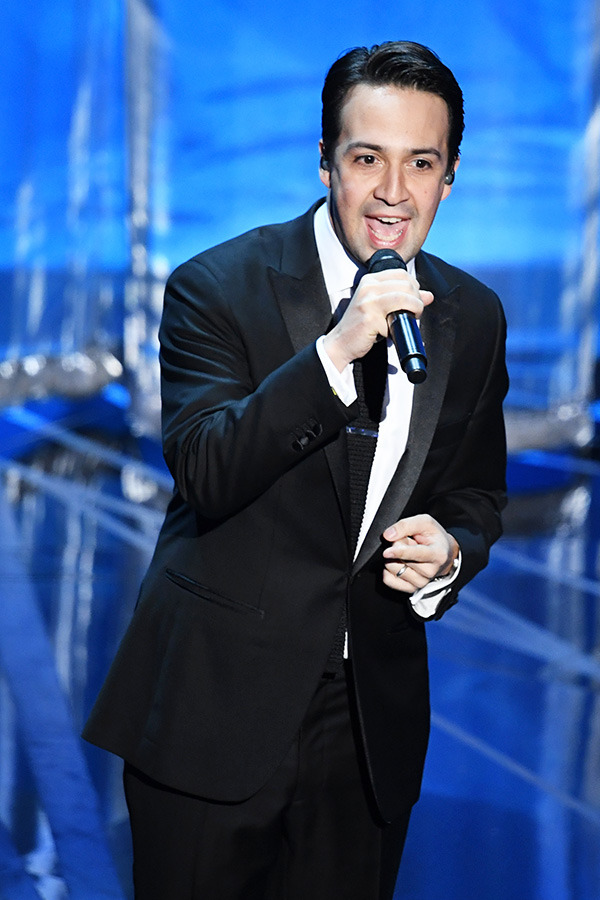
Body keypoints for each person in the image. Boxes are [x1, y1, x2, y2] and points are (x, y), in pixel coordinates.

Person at [84, 40, 508, 899]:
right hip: (214, 713)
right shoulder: (217, 286)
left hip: (367, 730)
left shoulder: (472, 315)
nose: (394, 193)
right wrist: (334, 353)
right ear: (326, 162)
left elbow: (475, 491)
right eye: (367, 159)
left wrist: (452, 550)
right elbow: (206, 468)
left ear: (450, 176)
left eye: (421, 163)